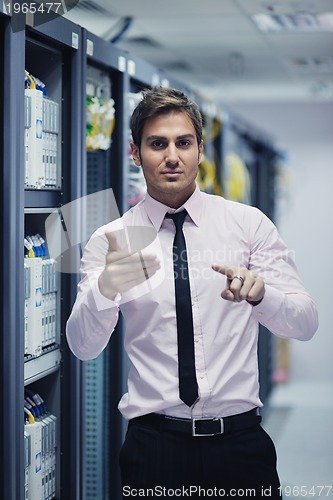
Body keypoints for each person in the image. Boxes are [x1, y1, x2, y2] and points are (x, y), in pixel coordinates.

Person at [66, 87, 318, 499]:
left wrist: (262, 296)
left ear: (200, 149)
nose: (172, 156)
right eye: (157, 144)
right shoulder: (111, 239)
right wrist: (105, 288)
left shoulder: (247, 225)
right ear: (135, 152)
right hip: (154, 449)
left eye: (183, 142)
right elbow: (81, 346)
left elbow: (306, 323)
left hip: (239, 444)